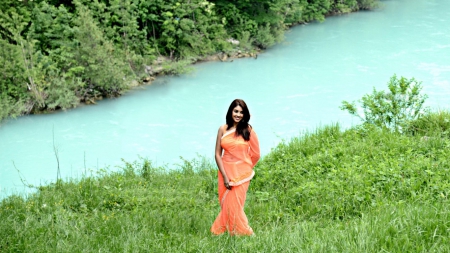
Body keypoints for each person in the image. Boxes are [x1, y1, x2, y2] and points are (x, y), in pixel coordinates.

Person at [210, 99, 260, 236]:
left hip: (242, 175)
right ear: (231, 112)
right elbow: (217, 154)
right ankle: (231, 232)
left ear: (245, 114)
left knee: (235, 205)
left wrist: (245, 168)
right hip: (225, 172)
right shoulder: (223, 129)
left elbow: (256, 154)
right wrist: (225, 176)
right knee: (226, 204)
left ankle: (244, 232)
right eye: (236, 111)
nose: (238, 114)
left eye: (241, 112)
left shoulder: (248, 130)